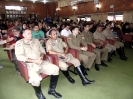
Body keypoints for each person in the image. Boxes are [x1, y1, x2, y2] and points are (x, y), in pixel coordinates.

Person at [15, 29, 62, 99]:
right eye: (28, 34)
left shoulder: (36, 40)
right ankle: (38, 93)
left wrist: (41, 56)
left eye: (31, 33)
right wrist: (34, 61)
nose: (30, 35)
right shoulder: (20, 43)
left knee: (56, 69)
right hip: (31, 65)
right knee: (36, 80)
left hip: (41, 62)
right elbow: (19, 56)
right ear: (23, 35)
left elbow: (42, 50)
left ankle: (51, 90)